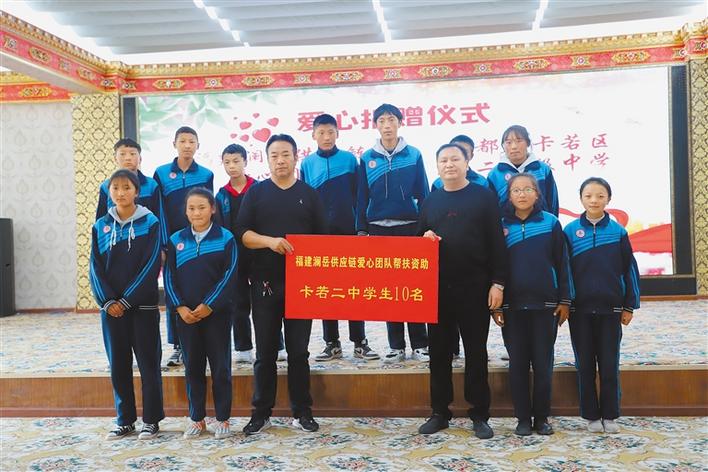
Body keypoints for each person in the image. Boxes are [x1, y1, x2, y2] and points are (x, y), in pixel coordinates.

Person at [236, 134, 327, 434]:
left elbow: (324, 239)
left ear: (295, 157)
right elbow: (243, 234)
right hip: (265, 283)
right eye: (274, 155)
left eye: (285, 154)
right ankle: (261, 413)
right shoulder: (256, 193)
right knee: (265, 353)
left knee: (299, 352)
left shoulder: (310, 194)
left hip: (302, 285)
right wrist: (269, 242)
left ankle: (303, 411)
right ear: (267, 159)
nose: (280, 160)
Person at [417, 144, 507, 439]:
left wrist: (498, 283)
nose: (449, 164)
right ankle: (439, 412)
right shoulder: (430, 200)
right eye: (443, 160)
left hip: (475, 287)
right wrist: (424, 236)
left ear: (467, 162)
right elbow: (417, 240)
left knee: (475, 352)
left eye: (455, 159)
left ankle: (479, 413)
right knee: (439, 353)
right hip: (438, 289)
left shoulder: (483, 197)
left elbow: (497, 242)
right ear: (437, 166)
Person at [491, 173, 573, 436]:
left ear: (537, 194)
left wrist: (565, 300)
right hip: (512, 307)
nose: (522, 194)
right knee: (517, 364)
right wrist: (496, 306)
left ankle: (542, 418)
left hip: (545, 306)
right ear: (509, 195)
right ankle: (523, 418)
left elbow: (563, 264)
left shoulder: (550, 223)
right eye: (516, 190)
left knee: (543, 364)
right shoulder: (501, 225)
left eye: (528, 189)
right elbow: (494, 267)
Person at [89, 169, 164, 440]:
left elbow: (152, 263)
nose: (121, 193)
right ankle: (125, 420)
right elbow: (95, 268)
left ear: (136, 192)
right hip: (112, 310)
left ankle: (151, 420)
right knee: (118, 365)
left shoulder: (150, 222)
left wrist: (126, 299)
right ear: (109, 192)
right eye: (115, 188)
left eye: (126, 188)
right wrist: (109, 301)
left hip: (142, 307)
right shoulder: (100, 226)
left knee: (148, 364)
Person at [300, 113, 379, 362]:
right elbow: (305, 202)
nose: (326, 137)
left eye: (331, 132)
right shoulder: (307, 164)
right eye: (321, 132)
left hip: (349, 233)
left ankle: (360, 342)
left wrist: (361, 228)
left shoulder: (349, 160)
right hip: (320, 237)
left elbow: (360, 196)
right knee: (327, 292)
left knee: (354, 290)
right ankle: (331, 343)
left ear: (337, 133)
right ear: (313, 135)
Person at [564, 177, 640, 434]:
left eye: (600, 196)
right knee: (584, 364)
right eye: (588, 196)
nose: (594, 200)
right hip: (580, 311)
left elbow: (629, 269)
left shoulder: (618, 232)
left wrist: (629, 305)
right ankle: (590, 415)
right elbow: (564, 270)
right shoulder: (570, 231)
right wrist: (566, 301)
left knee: (609, 365)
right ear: (581, 199)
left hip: (610, 310)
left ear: (609, 199)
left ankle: (610, 414)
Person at [356, 103, 430, 363]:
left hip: (410, 227)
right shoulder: (366, 158)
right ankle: (396, 345)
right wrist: (361, 229)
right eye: (382, 121)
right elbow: (361, 197)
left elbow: (423, 193)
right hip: (378, 229)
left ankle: (420, 344)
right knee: (389, 289)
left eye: (391, 120)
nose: (387, 125)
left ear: (400, 122)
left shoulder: (414, 155)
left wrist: (425, 227)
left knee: (414, 287)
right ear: (375, 125)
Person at [164, 187, 237, 439]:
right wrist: (180, 307)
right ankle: (197, 419)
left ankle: (223, 418)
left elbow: (230, 275)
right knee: (193, 367)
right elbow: (169, 276)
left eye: (202, 207)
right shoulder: (176, 240)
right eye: (192, 208)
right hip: (186, 316)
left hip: (217, 315)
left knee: (220, 368)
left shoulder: (225, 238)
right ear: (185, 212)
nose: (197, 213)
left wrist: (209, 305)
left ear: (213, 209)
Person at [215, 144, 287, 364]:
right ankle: (243, 347)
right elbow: (220, 228)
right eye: (227, 162)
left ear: (245, 162)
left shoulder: (259, 189)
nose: (232, 166)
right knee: (238, 303)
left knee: (267, 301)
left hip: (260, 253)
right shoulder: (221, 195)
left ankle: (277, 345)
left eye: (236, 161)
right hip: (234, 256)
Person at [153, 126, 214, 367]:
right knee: (174, 292)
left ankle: (203, 343)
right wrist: (164, 244)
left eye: (191, 141)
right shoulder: (161, 173)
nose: (187, 145)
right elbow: (159, 211)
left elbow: (208, 208)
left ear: (198, 145)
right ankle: (178, 346)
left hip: (199, 242)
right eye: (183, 141)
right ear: (174, 144)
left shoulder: (206, 174)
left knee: (200, 289)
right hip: (173, 244)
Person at [487, 125, 559, 216]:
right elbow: (490, 207)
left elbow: (552, 201)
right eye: (508, 142)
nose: (514, 146)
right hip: (507, 224)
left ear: (528, 143)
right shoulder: (495, 174)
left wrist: (551, 221)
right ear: (503, 146)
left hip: (541, 222)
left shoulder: (542, 169)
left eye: (519, 141)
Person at [95, 138, 162, 221]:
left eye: (132, 154)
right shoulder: (106, 186)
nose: (128, 158)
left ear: (140, 159)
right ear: (115, 159)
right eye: (122, 154)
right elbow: (101, 219)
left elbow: (159, 217)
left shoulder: (151, 185)